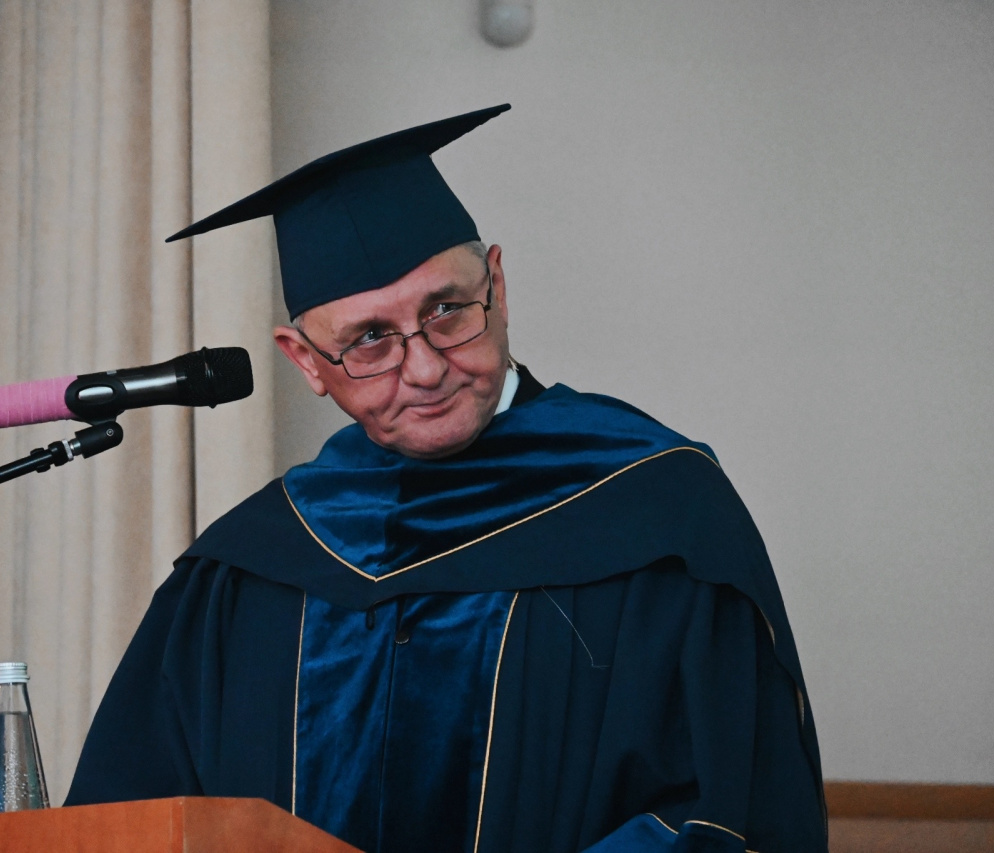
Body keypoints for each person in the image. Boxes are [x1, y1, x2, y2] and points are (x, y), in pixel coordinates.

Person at [64, 104, 828, 853]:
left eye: (448, 310)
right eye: (370, 339)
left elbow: (728, 811)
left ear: (498, 284)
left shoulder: (659, 514)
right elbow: (129, 820)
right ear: (305, 361)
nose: (425, 368)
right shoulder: (248, 568)